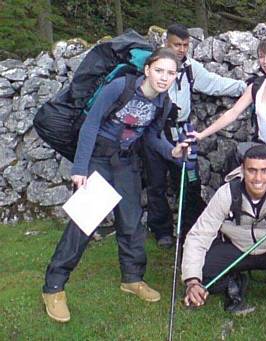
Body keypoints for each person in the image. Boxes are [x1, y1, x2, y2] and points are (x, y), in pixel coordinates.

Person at [42, 48, 190, 323]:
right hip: (99, 156)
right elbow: (91, 124)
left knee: (132, 221)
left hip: (126, 161)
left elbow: (151, 136)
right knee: (84, 222)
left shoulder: (163, 103)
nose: (164, 77)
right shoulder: (120, 87)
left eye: (171, 73)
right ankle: (54, 286)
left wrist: (172, 152)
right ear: (147, 70)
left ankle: (132, 278)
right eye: (159, 70)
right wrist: (80, 168)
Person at [181, 145, 266, 319]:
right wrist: (192, 281)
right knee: (204, 273)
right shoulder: (226, 194)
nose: (258, 178)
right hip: (238, 249)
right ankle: (234, 279)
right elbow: (198, 236)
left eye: (264, 171)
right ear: (242, 170)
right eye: (252, 171)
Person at [145, 23, 246, 248]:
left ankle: (191, 229)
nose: (181, 49)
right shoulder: (155, 67)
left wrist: (245, 87)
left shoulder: (190, 67)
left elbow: (213, 83)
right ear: (166, 43)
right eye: (177, 45)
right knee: (156, 182)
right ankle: (162, 231)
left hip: (183, 131)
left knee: (190, 181)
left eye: (185, 45)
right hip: (155, 132)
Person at [191, 38, 266, 199]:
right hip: (262, 155)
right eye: (262, 56)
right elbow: (232, 113)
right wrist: (201, 135)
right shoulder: (256, 87)